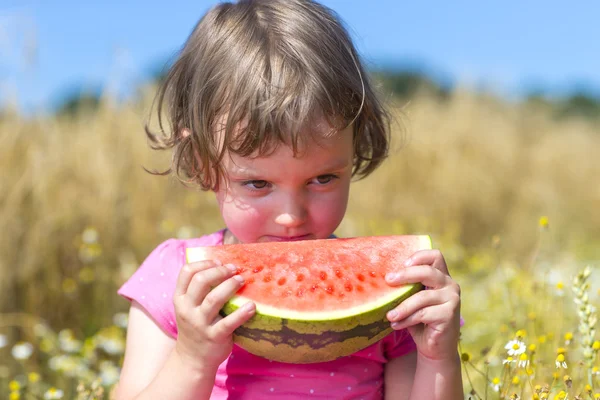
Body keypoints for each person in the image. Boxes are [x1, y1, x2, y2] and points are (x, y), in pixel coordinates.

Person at [114, 0, 463, 399]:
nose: (291, 217)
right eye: (258, 184)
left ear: (354, 149)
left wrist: (439, 359)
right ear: (202, 162)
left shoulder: (397, 292)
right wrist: (192, 359)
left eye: (322, 178)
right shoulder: (172, 277)